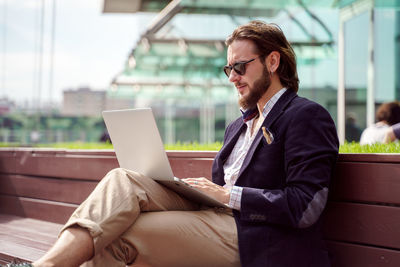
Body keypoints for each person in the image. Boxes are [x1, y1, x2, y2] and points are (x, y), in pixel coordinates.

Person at [4, 21, 339, 267]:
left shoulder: (306, 116)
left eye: (239, 66)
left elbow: (305, 206)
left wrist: (227, 195)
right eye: (228, 68)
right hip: (216, 216)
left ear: (273, 62)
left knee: (120, 235)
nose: (232, 77)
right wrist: (196, 191)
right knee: (123, 178)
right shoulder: (239, 125)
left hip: (257, 239)